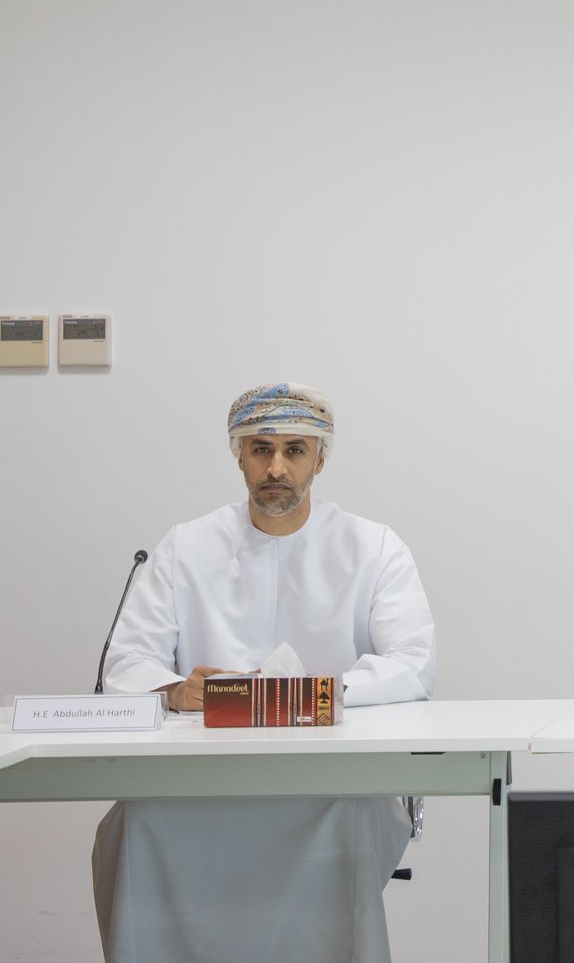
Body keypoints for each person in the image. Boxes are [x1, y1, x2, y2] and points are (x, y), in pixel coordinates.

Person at [94, 383, 437, 963]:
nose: (276, 467)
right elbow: (126, 663)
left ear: (320, 460)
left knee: (356, 812)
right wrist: (175, 690)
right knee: (139, 817)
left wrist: (315, 694)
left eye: (294, 450)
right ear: (239, 457)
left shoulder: (373, 546)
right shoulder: (186, 546)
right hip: (201, 776)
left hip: (330, 775)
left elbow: (413, 662)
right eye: (260, 449)